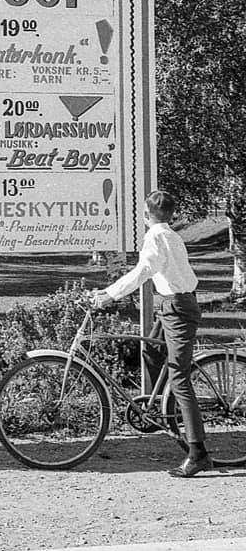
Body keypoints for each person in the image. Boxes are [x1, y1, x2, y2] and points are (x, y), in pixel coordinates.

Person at [91, 190, 211, 478]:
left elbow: (143, 270)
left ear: (146, 216)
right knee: (152, 351)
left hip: (178, 308)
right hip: (172, 304)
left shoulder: (156, 237)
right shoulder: (172, 235)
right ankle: (165, 413)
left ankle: (198, 453)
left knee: (180, 377)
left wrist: (110, 295)